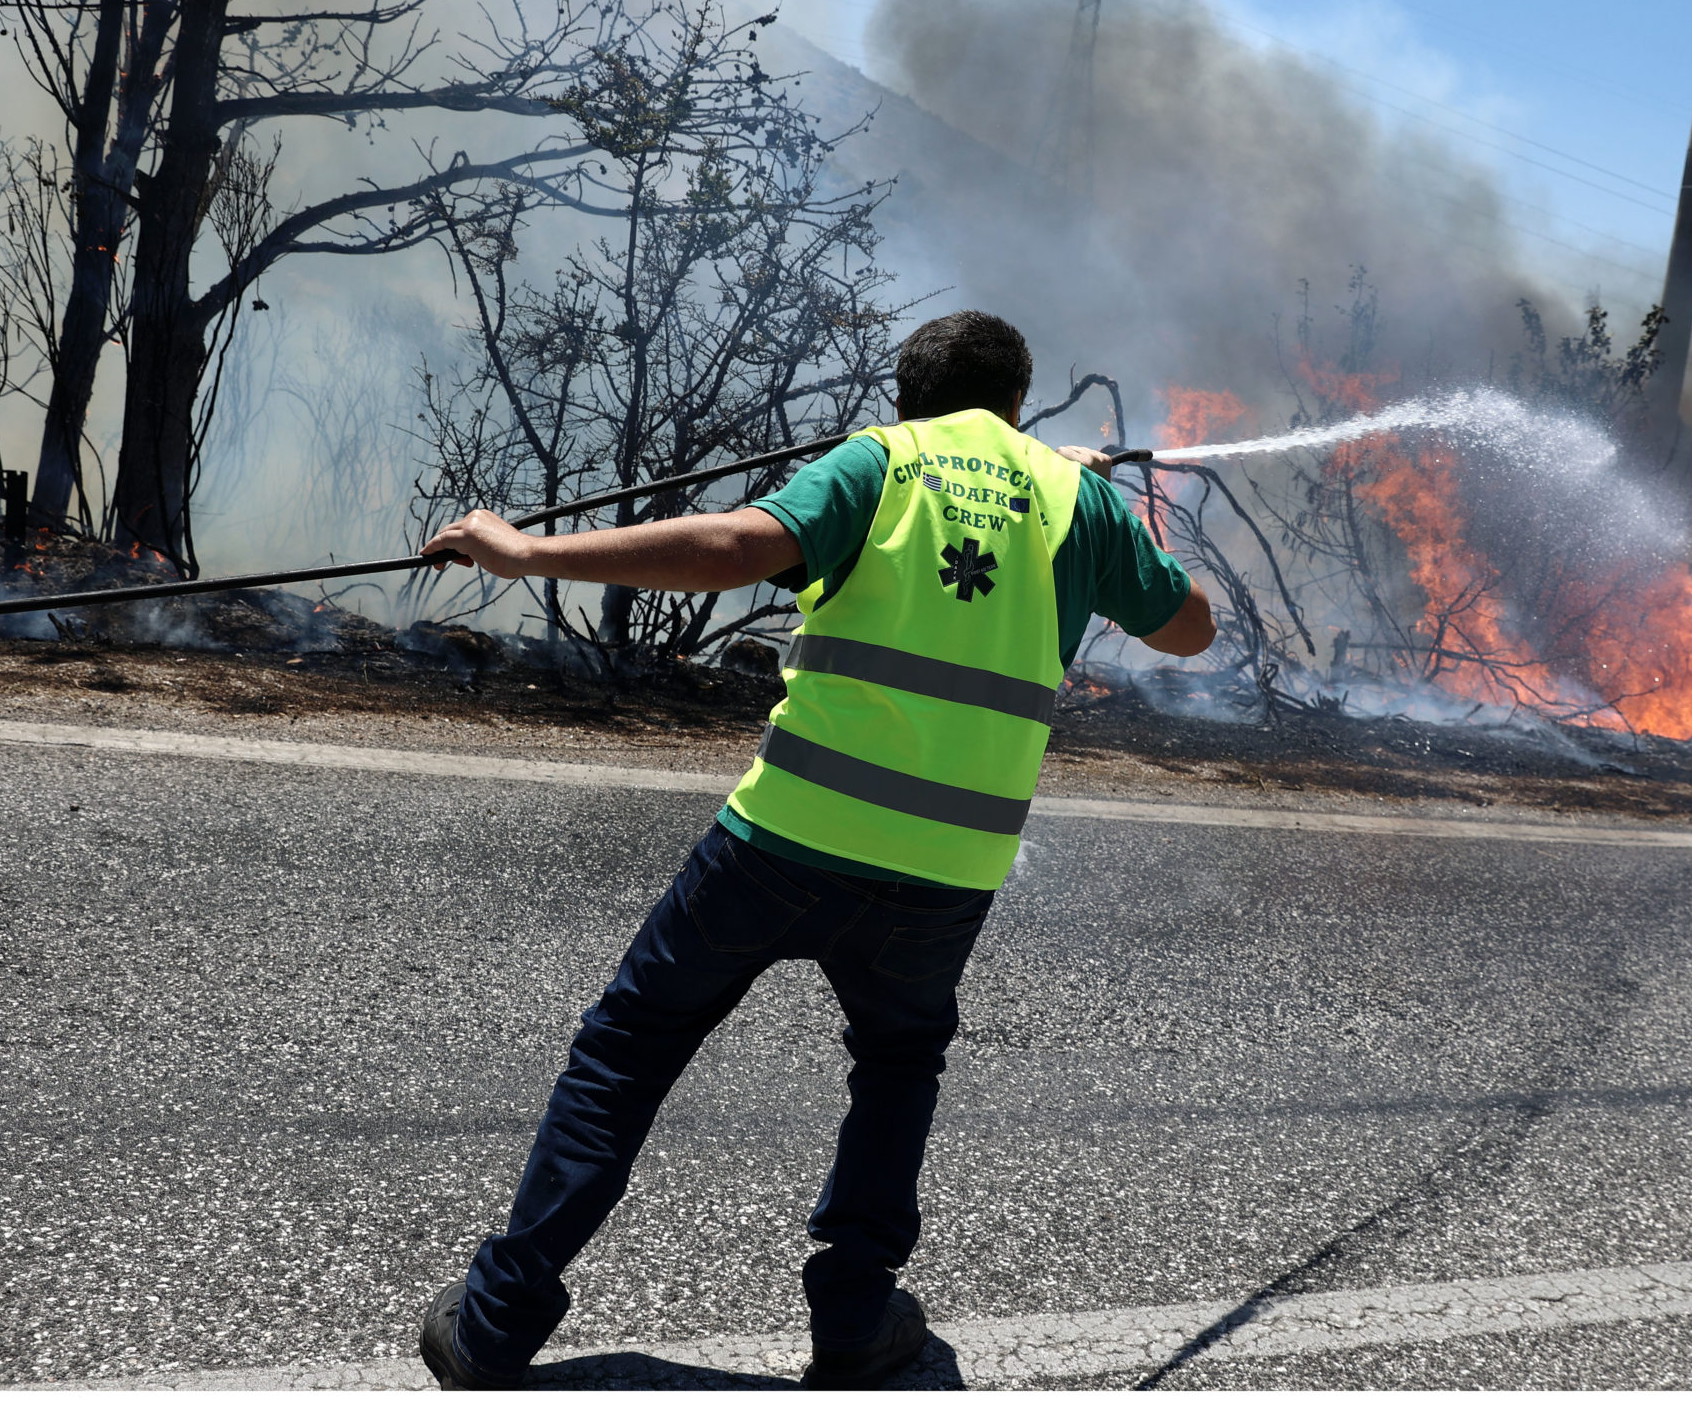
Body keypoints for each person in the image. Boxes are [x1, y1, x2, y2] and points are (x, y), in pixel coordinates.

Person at [413, 310, 1216, 1390]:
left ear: (904, 394)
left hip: (790, 839)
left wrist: (526, 552)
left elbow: (740, 547)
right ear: (1018, 403)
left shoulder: (879, 460)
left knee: (628, 1049)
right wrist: (1101, 511)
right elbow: (1189, 628)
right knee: (897, 1065)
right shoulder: (1075, 497)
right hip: (948, 870)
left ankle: (497, 1323)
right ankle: (853, 1320)